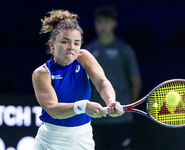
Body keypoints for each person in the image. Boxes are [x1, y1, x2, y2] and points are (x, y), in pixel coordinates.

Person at [32, 9, 123, 150]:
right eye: (65, 42)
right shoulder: (42, 73)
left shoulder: (84, 57)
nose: (71, 48)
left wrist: (111, 101)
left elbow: (102, 82)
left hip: (83, 138)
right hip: (50, 141)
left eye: (76, 43)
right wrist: (83, 106)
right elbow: (53, 109)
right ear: (52, 44)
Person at [84, 5, 142, 150]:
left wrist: (128, 108)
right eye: (99, 22)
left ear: (114, 23)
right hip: (96, 118)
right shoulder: (88, 51)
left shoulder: (124, 49)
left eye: (106, 22)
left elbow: (136, 81)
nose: (102, 26)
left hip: (120, 118)